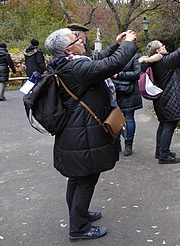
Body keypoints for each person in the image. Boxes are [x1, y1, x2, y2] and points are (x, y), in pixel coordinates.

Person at [45, 28, 137, 241]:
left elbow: (96, 61)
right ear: (68, 48)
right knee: (86, 179)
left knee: (77, 178)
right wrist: (128, 45)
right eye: (77, 38)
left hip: (75, 130)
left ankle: (79, 215)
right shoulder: (76, 67)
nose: (81, 39)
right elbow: (109, 65)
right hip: (82, 133)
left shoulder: (68, 62)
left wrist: (116, 44)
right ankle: (78, 229)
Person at [139, 36, 180, 164]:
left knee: (164, 124)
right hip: (169, 99)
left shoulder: (154, 62)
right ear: (157, 51)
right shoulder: (165, 61)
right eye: (162, 46)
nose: (164, 47)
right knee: (169, 125)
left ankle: (160, 151)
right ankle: (163, 155)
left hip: (162, 99)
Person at [112, 54, 142, 156]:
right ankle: (117, 144)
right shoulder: (118, 55)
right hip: (116, 91)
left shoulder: (132, 56)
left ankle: (128, 144)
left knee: (128, 118)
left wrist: (119, 75)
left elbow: (137, 73)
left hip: (128, 92)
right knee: (115, 118)